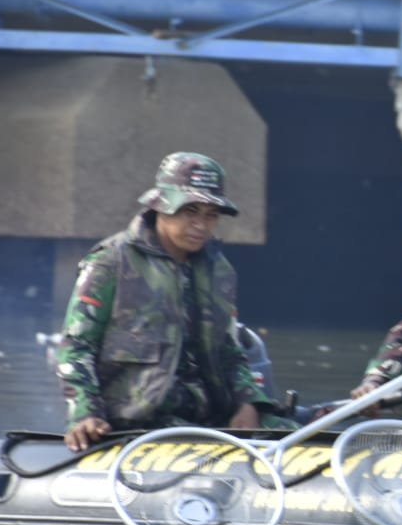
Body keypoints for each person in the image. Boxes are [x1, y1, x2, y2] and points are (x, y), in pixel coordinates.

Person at [55, 152, 290, 451]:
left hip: (210, 413)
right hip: (141, 418)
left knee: (298, 434)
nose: (201, 225)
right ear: (161, 206)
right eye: (190, 211)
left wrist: (248, 403)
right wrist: (85, 414)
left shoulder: (219, 271)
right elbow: (76, 347)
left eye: (211, 215)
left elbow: (230, 350)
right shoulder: (112, 262)